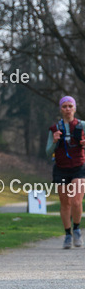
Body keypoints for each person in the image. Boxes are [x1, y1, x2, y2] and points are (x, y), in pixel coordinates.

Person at [46, 96, 85, 248]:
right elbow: (48, 152)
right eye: (64, 106)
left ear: (74, 108)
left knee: (76, 201)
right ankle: (68, 234)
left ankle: (77, 229)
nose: (67, 109)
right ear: (61, 109)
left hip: (79, 167)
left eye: (70, 106)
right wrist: (54, 141)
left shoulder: (82, 125)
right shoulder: (55, 128)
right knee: (65, 203)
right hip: (61, 169)